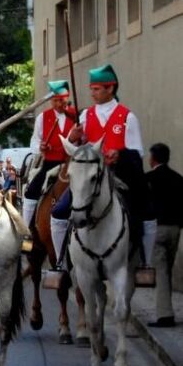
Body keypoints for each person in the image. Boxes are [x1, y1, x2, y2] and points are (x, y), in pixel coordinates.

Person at [49, 64, 156, 274]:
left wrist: (120, 154)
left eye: (97, 89)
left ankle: (146, 262)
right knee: (58, 212)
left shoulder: (127, 117)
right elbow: (74, 150)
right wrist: (73, 137)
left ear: (110, 88)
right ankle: (60, 263)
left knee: (148, 213)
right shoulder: (85, 116)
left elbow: (137, 152)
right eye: (92, 89)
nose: (92, 93)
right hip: (89, 176)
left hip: (119, 175)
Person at [21, 81, 76, 229]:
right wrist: (41, 147)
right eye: (55, 100)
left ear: (67, 97)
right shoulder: (42, 117)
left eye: (61, 100)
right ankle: (26, 231)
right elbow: (35, 140)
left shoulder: (77, 116)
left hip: (72, 165)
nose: (58, 104)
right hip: (50, 163)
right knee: (31, 192)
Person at [145, 143, 183, 327]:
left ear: (153, 159)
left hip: (157, 229)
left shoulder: (148, 179)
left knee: (160, 272)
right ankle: (166, 309)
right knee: (166, 268)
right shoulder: (178, 178)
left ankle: (165, 316)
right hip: (175, 229)